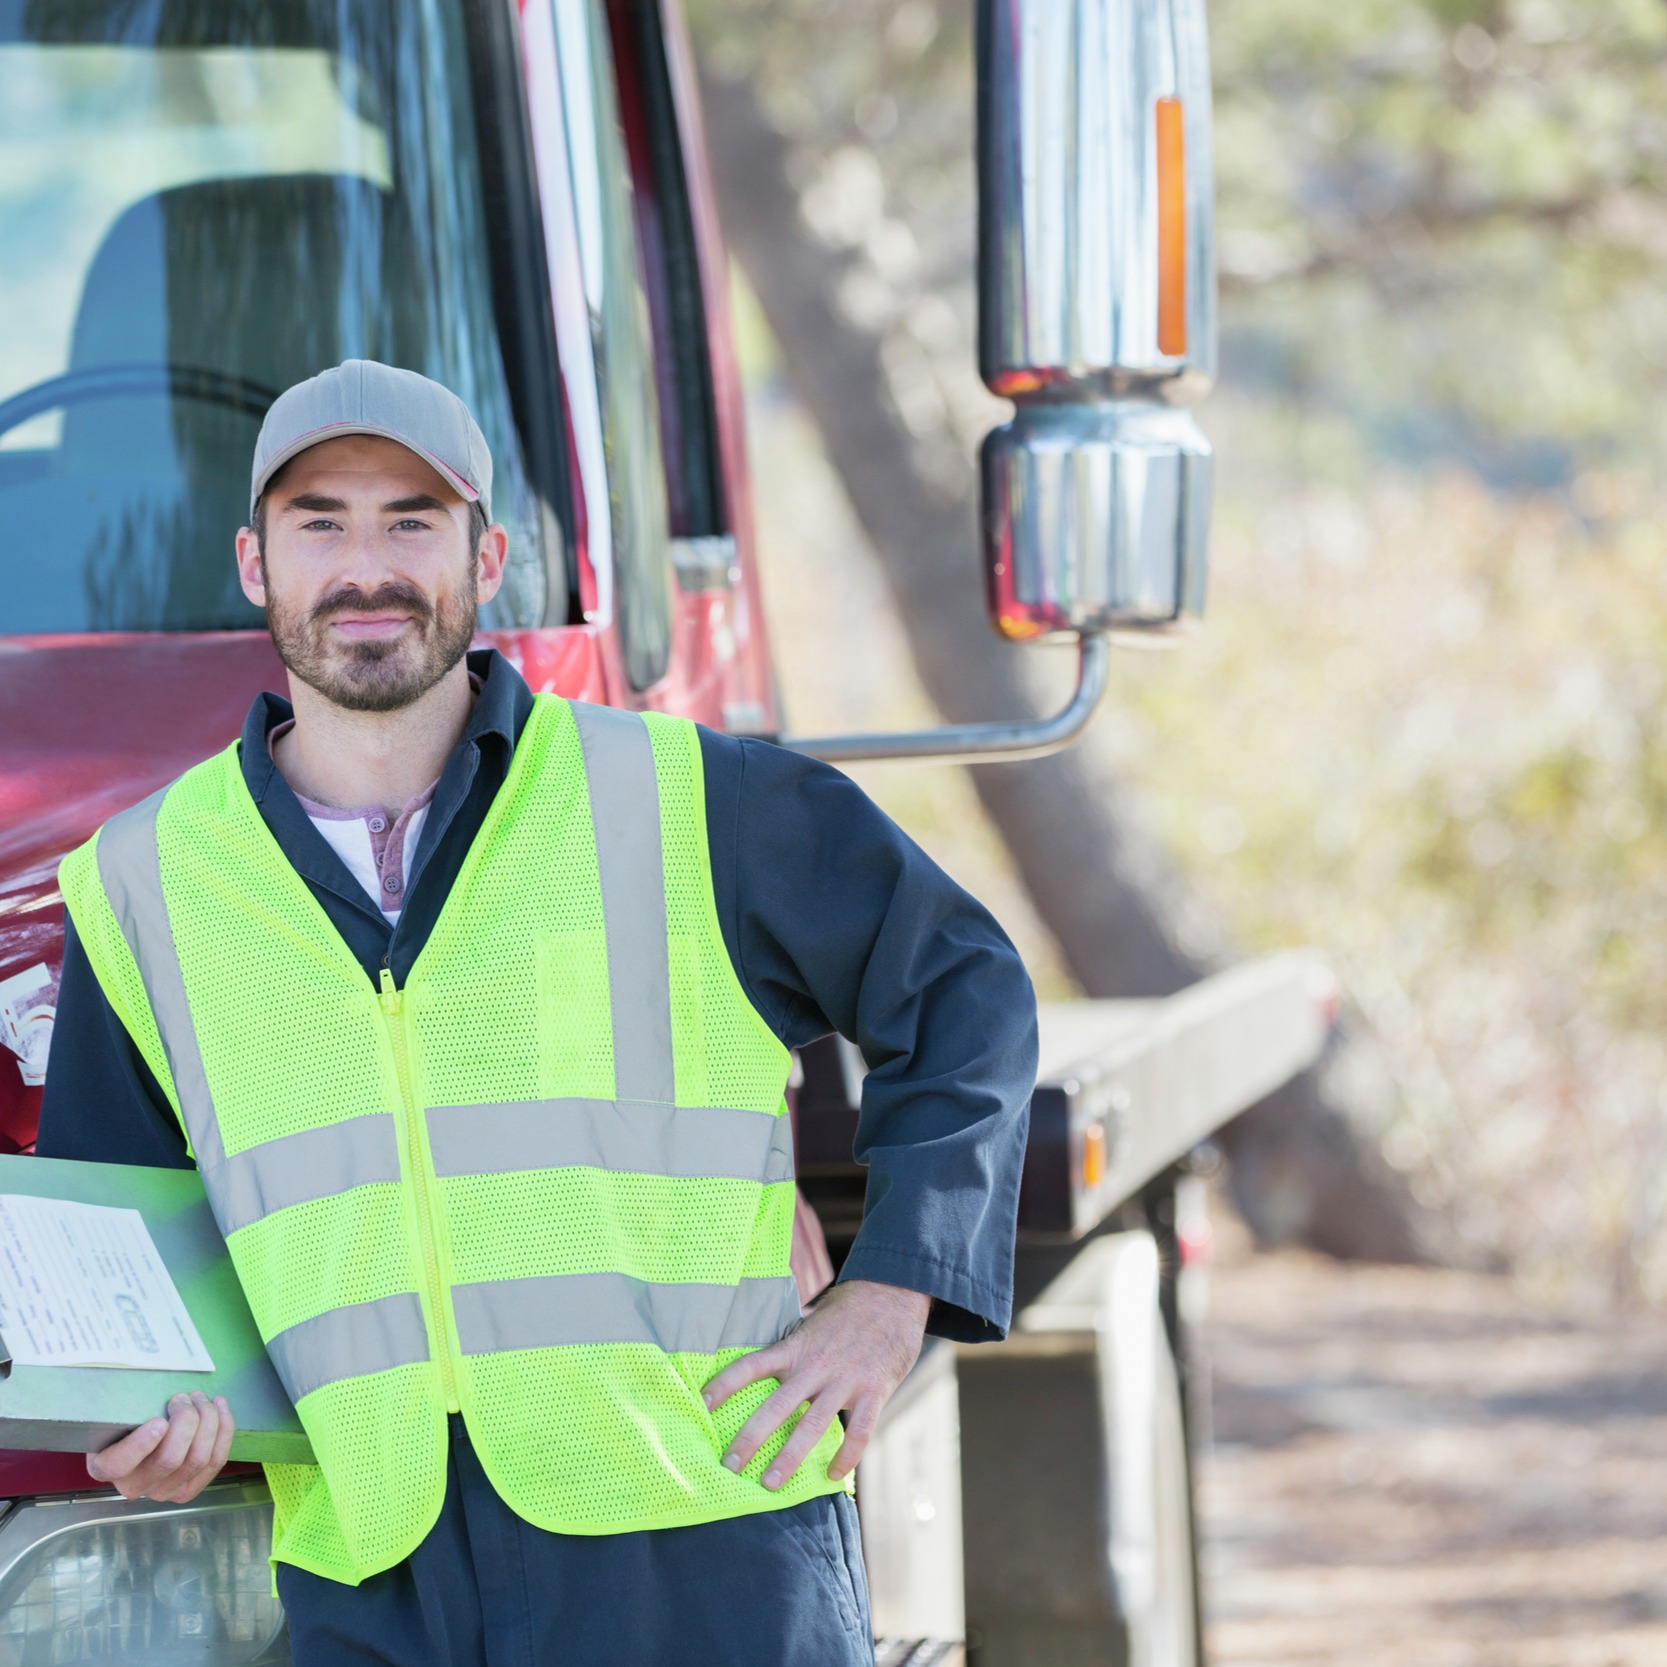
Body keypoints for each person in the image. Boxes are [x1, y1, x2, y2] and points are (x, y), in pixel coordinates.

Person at [36, 360, 1036, 1667]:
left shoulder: (686, 800)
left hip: (699, 1537)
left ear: (488, 555)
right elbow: (117, 1243)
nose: (366, 565)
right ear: (254, 564)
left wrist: (893, 1292)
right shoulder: (142, 884)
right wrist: (145, 1428)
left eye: (412, 520)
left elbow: (963, 986)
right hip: (373, 1572)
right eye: (320, 522)